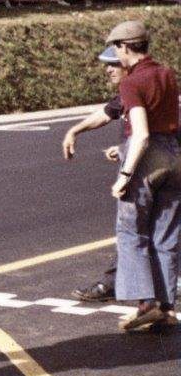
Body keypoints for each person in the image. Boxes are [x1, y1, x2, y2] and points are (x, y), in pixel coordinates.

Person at [104, 19, 181, 332]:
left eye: (117, 49)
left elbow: (142, 134)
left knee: (132, 232)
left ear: (124, 47)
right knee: (167, 235)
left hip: (147, 160)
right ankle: (166, 307)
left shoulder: (131, 82)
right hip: (174, 156)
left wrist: (124, 174)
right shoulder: (166, 74)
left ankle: (145, 304)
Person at [62, 45, 128, 303]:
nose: (108, 70)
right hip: (144, 169)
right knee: (142, 231)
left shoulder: (142, 89)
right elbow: (106, 113)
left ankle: (113, 285)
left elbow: (158, 135)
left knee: (135, 232)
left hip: (155, 172)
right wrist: (74, 130)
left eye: (114, 64)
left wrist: (125, 150)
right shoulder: (129, 91)